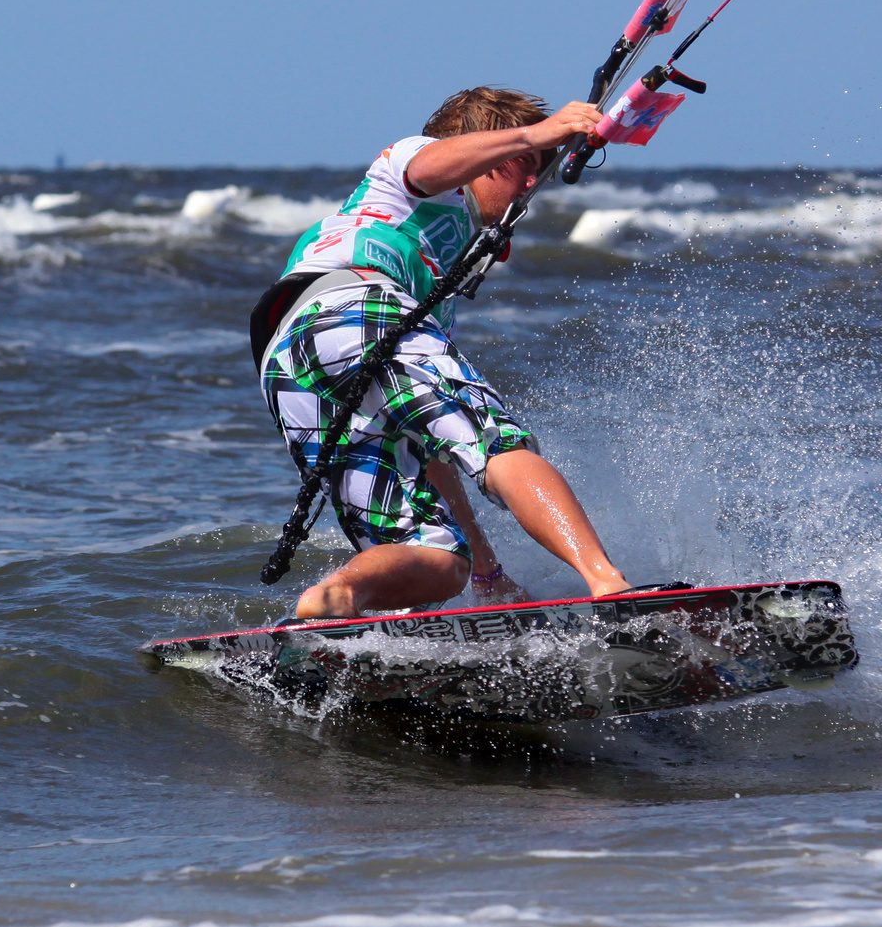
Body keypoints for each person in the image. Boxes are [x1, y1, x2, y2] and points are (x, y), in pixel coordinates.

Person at [256, 87, 631, 619]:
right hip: (357, 310)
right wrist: (532, 135)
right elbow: (429, 166)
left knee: (435, 555)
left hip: (290, 365)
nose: (530, 183)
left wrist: (485, 570)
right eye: (522, 165)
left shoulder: (431, 263)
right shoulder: (412, 166)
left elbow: (432, 449)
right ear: (480, 146)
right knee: (500, 444)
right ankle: (609, 585)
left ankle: (335, 598)